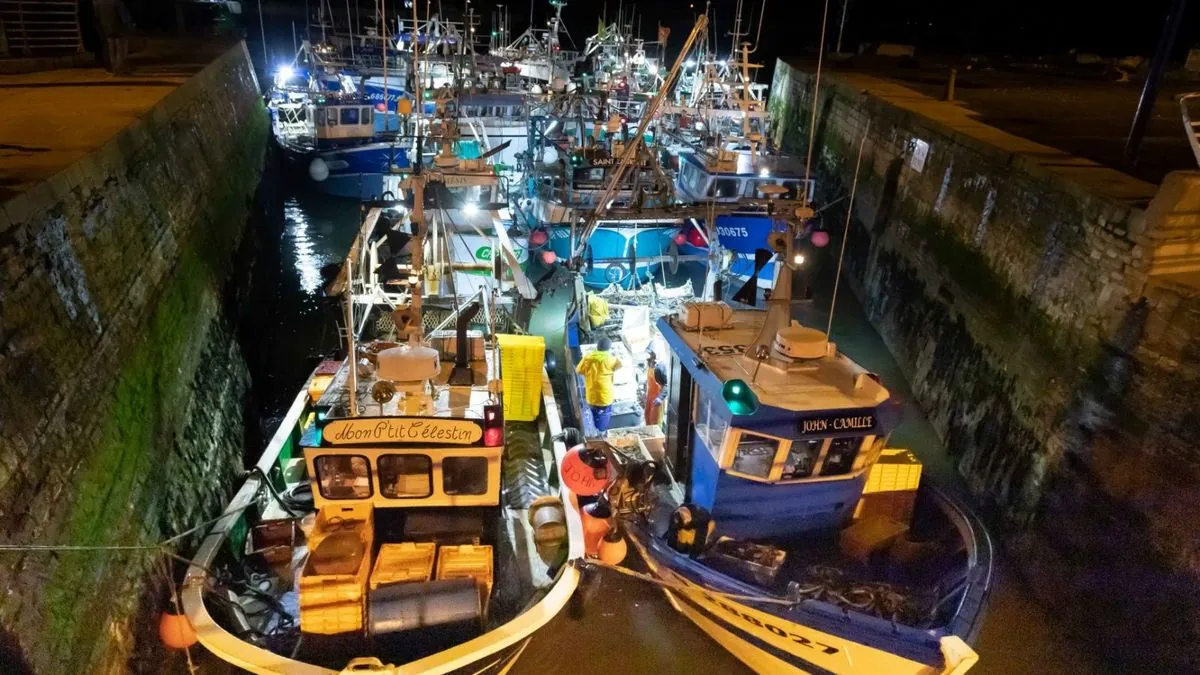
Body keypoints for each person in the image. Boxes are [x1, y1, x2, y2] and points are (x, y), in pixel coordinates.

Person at [576, 336, 623, 434]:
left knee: (593, 413)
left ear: (597, 347)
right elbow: (620, 365)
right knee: (604, 415)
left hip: (591, 394)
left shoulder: (588, 357)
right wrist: (615, 355)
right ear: (608, 348)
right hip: (604, 396)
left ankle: (593, 431)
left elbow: (578, 370)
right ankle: (601, 434)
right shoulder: (610, 359)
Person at [93, 0, 133, 76]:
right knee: (121, 51)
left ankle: (113, 69)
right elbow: (125, 18)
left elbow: (97, 17)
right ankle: (120, 69)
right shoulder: (118, 2)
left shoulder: (97, 3)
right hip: (120, 30)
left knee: (111, 51)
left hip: (107, 30)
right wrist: (130, 27)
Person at [644, 350, 668, 426]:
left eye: (651, 354)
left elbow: (666, 385)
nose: (649, 356)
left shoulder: (660, 368)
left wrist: (660, 398)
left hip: (657, 398)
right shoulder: (650, 365)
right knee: (647, 417)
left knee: (655, 422)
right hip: (650, 397)